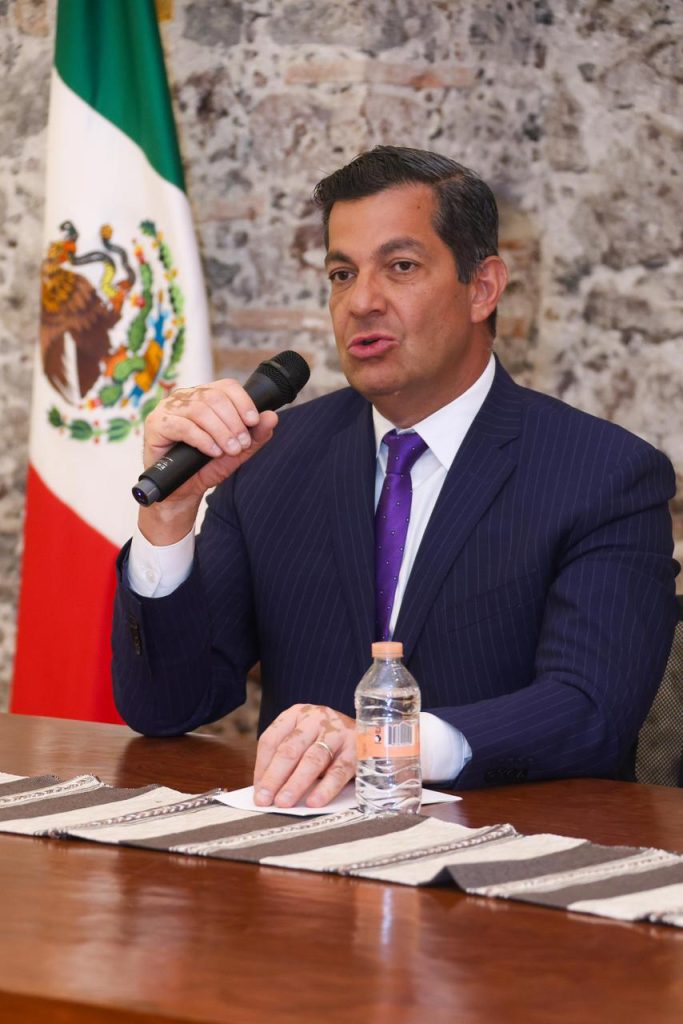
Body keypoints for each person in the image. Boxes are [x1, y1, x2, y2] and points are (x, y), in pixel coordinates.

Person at [112, 145, 679, 809]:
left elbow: (589, 710)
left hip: (508, 849)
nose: (361, 302)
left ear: (483, 288)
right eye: (342, 274)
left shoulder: (603, 474)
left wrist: (388, 743)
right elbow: (166, 706)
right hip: (297, 853)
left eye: (400, 266)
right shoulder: (272, 459)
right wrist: (169, 514)